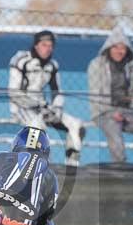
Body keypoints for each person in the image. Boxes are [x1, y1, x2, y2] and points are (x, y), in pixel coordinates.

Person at [8, 30, 85, 167]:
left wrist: (56, 108)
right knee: (37, 126)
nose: (48, 49)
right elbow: (14, 92)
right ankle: (33, 164)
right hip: (20, 107)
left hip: (44, 108)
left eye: (50, 45)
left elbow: (57, 92)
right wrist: (37, 105)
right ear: (36, 45)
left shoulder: (53, 65)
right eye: (44, 44)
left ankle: (72, 165)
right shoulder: (21, 60)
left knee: (76, 125)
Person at [88, 26, 133, 163]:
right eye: (116, 47)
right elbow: (94, 95)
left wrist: (132, 108)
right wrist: (110, 111)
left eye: (123, 48)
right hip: (103, 112)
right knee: (115, 132)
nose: (119, 51)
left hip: (127, 111)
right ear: (109, 48)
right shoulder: (96, 65)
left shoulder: (129, 66)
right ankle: (119, 165)